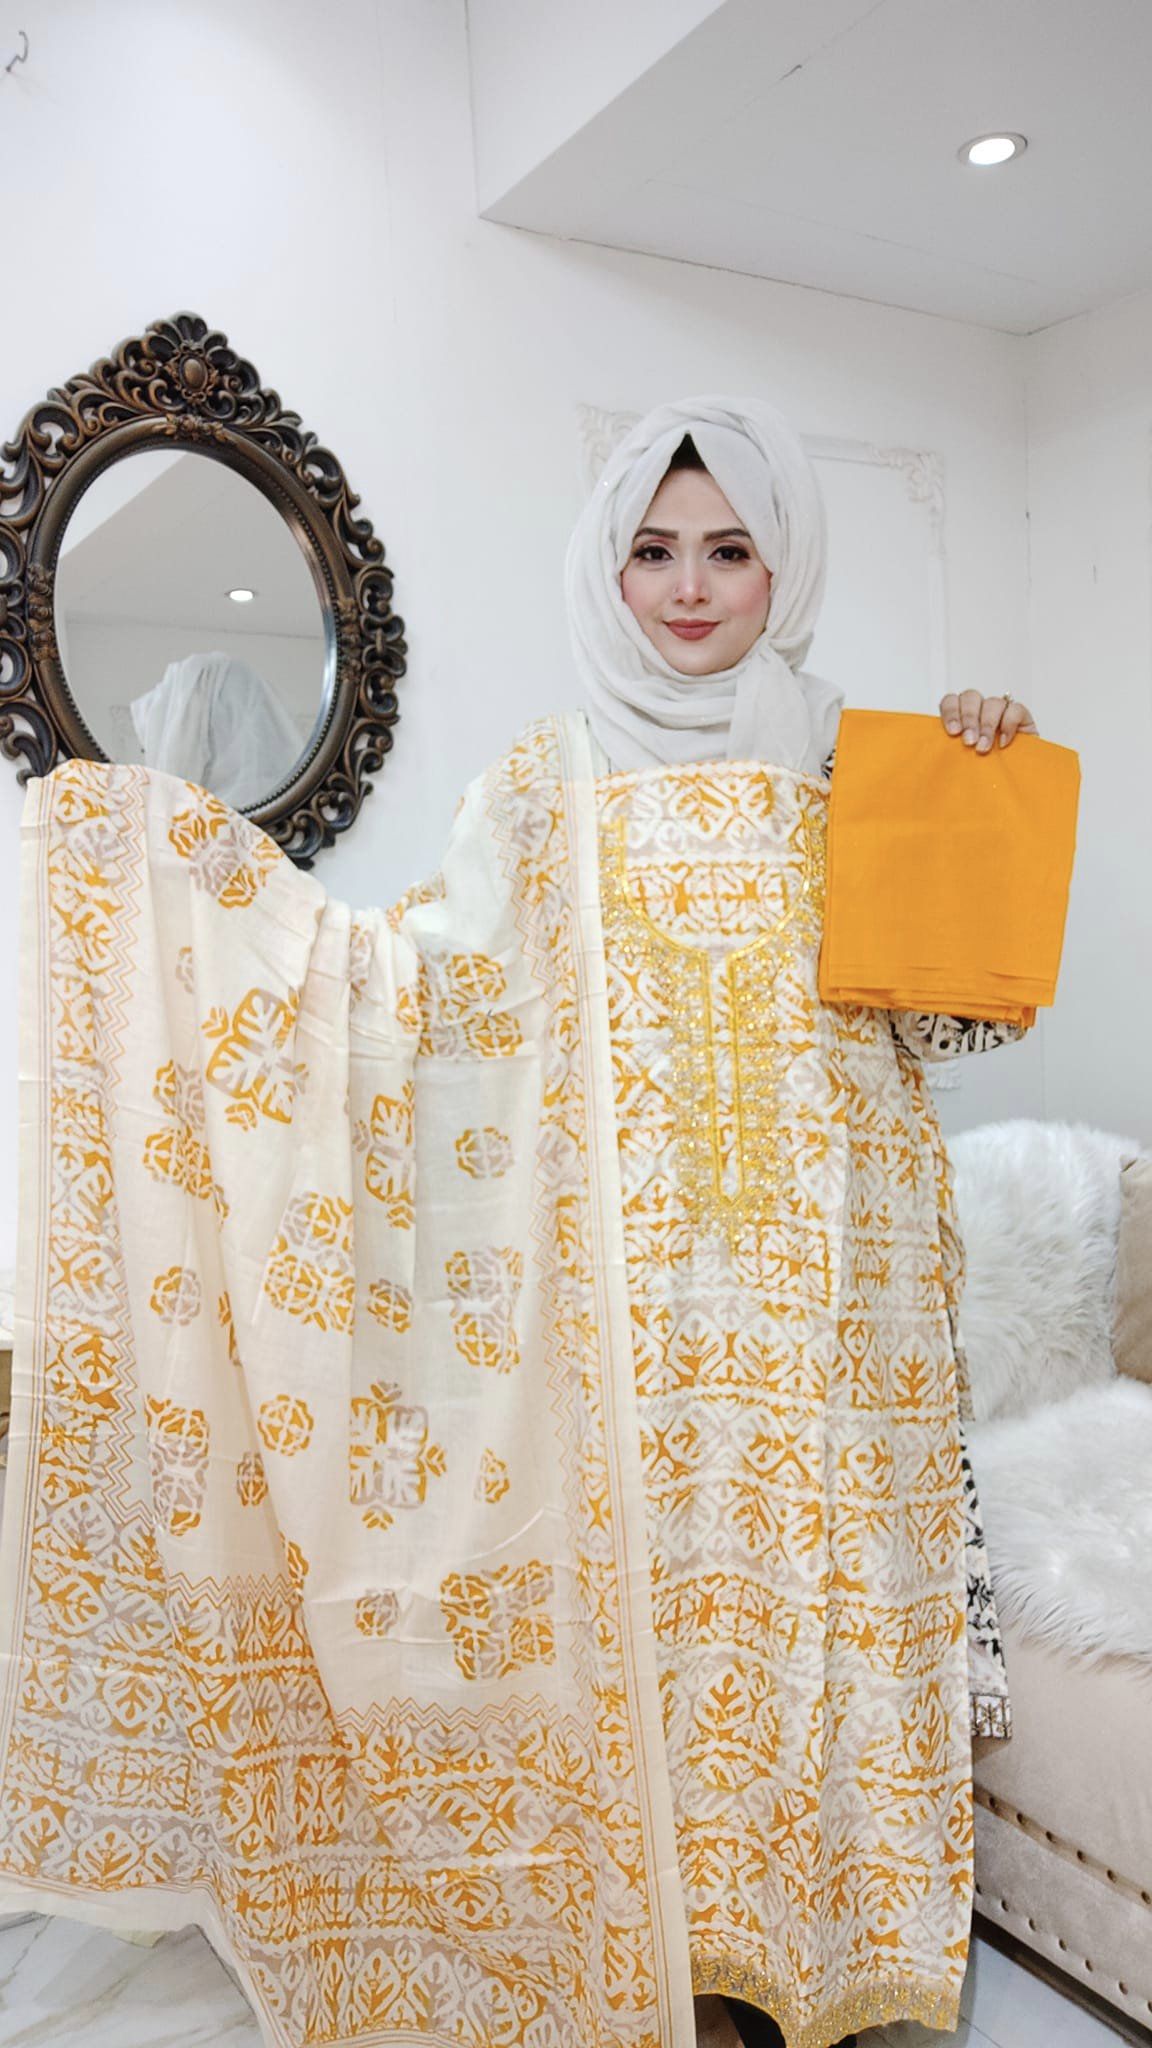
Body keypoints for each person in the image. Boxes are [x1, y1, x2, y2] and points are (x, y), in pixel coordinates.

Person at [0, 396, 1035, 2048]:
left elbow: (957, 1021)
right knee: (659, 1630)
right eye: (653, 552)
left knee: (821, 1620)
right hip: (628, 1307)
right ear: (606, 572)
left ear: (784, 572)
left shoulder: (866, 764)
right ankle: (675, 1970)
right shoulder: (552, 789)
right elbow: (419, 993)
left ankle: (824, 1953)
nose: (688, 589)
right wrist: (202, 898)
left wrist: (981, 775)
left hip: (835, 1293)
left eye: (730, 552)